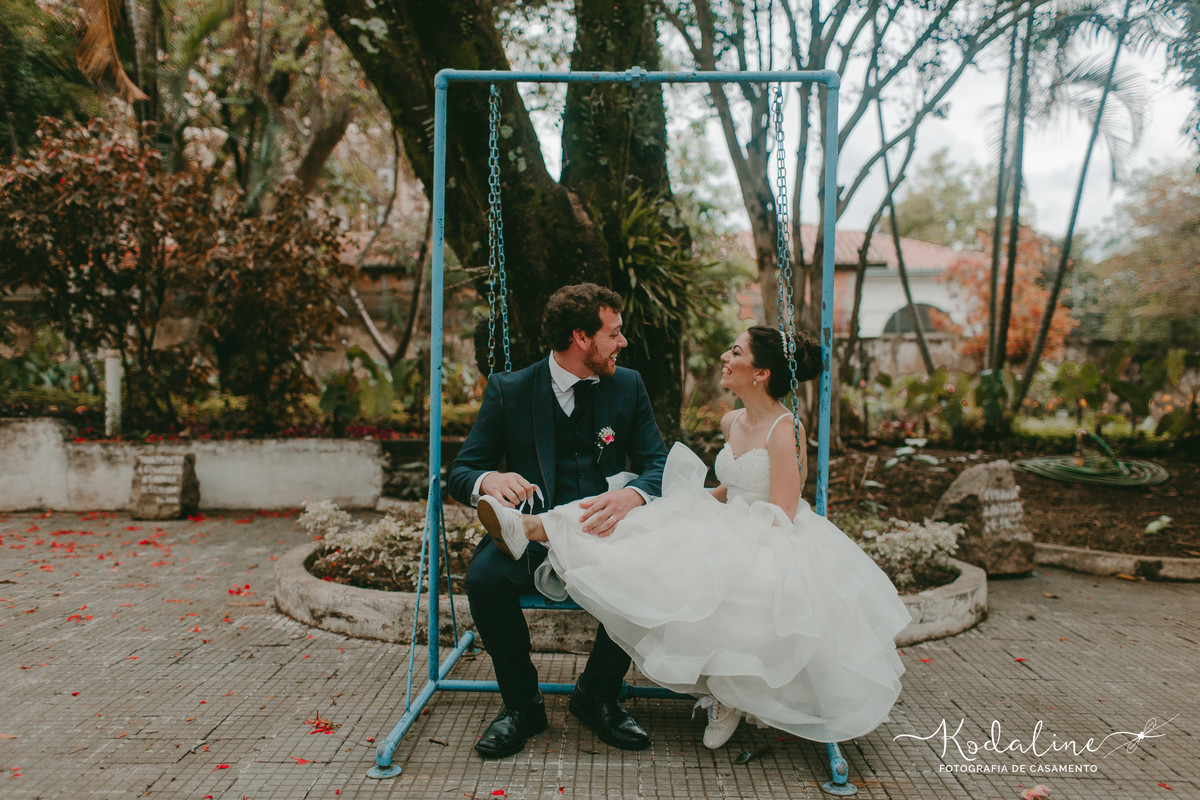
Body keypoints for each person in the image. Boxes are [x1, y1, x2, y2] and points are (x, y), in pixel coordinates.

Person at [478, 326, 910, 749]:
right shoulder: (732, 421)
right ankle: (531, 527)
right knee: (632, 518)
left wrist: (718, 530)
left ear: (760, 373)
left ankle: (729, 693)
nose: (725, 357)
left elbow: (781, 511)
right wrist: (694, 500)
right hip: (732, 520)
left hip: (770, 537)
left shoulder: (786, 429)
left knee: (663, 555)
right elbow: (729, 488)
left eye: (736, 352)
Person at [447, 282, 669, 759]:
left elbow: (658, 462)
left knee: (650, 575)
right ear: (581, 338)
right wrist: (489, 480)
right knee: (485, 578)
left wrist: (633, 494)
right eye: (614, 333)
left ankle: (597, 695)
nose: (623, 342)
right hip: (535, 535)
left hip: (608, 536)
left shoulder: (627, 385)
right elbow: (461, 471)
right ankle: (522, 705)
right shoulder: (510, 390)